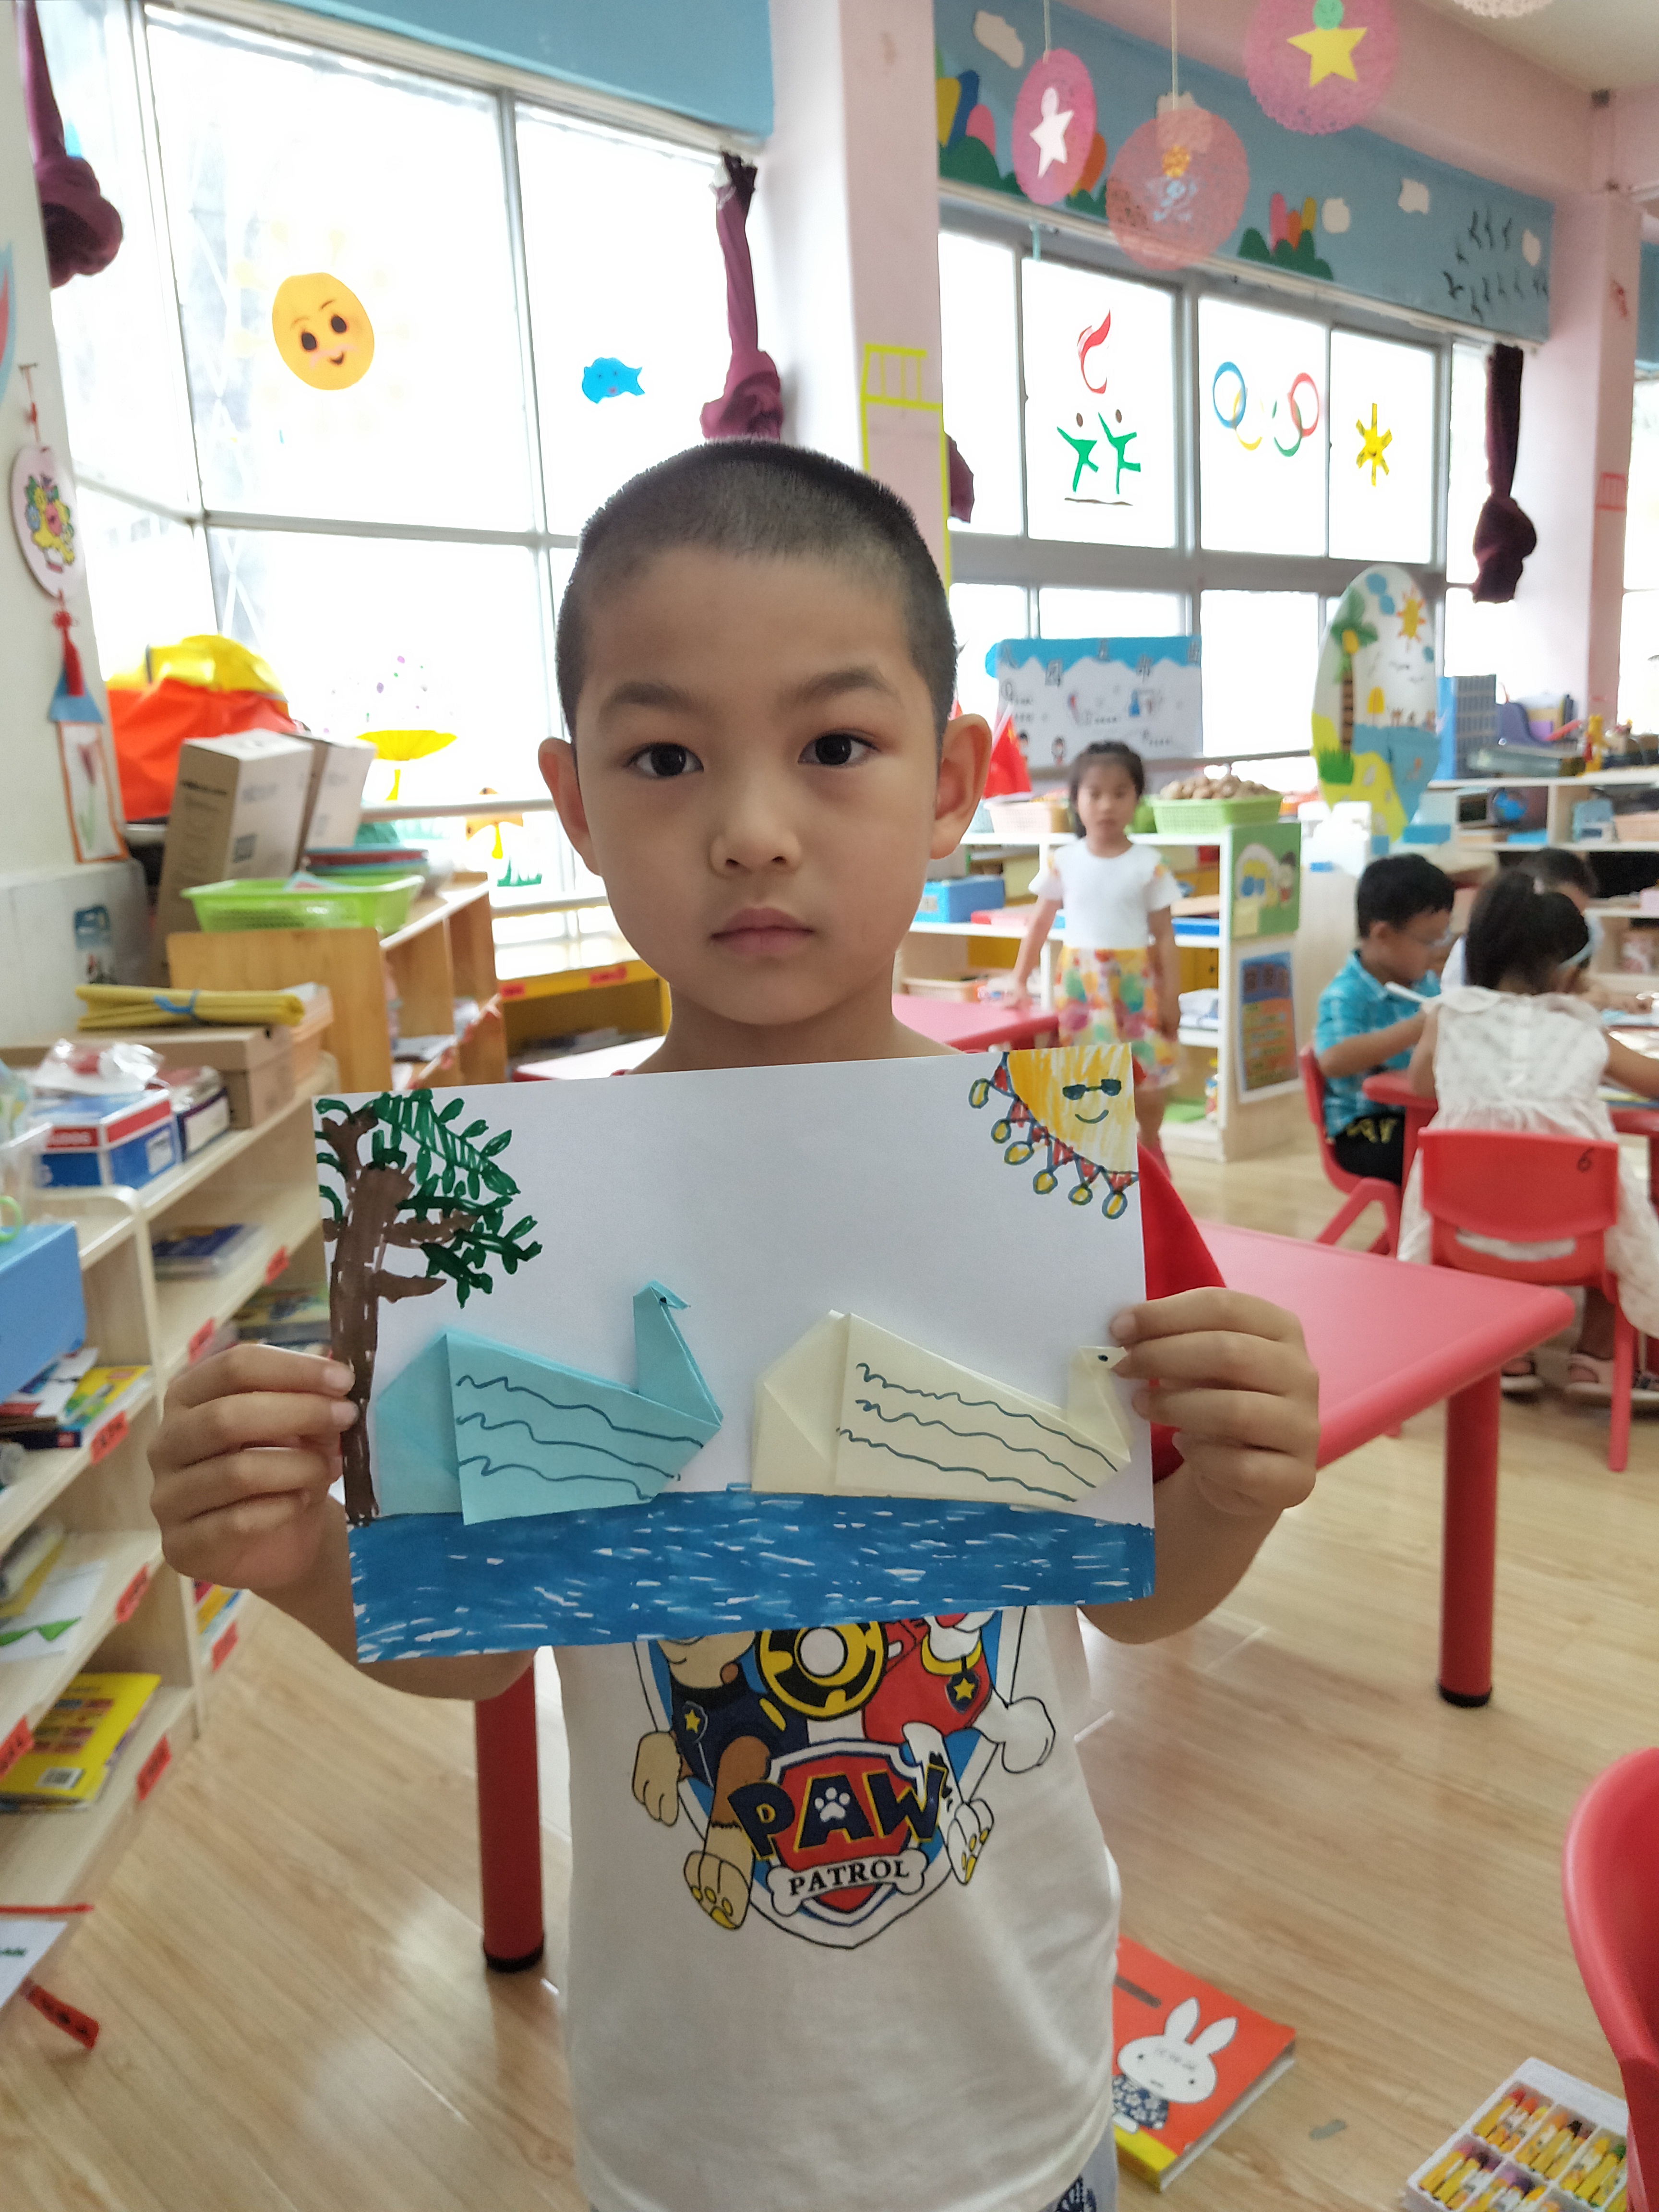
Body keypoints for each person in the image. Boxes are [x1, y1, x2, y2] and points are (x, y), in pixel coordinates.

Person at [147, 443, 1319, 2212]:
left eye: (835, 745)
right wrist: (303, 1555)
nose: (753, 826)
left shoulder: (1051, 1169)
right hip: (687, 2131)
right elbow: (477, 1659)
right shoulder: (509, 1215)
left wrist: (1233, 1485)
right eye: (665, 756)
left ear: (954, 782)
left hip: (1021, 2097)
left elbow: (1135, 1600)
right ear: (571, 798)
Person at [1401, 867, 1659, 1407]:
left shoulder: (1449, 1017)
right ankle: (1596, 1361)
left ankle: (1508, 1354)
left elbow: (1422, 1084)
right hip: (1576, 1242)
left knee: (1500, 1195)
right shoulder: (1580, 1026)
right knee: (1618, 1218)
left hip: (1462, 1231)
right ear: (1570, 972)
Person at [1004, 740, 1183, 1161]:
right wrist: (1018, 980)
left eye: (1120, 793)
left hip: (1135, 987)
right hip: (1082, 987)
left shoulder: (1149, 863)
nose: (1107, 806)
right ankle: (1095, 1157)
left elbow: (1165, 936)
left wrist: (1172, 997)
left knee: (1147, 1076)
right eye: (1095, 794)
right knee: (1085, 1076)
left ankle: (1151, 1144)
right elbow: (1039, 925)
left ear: (1137, 799)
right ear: (1075, 801)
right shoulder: (1064, 860)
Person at [1313, 852, 1455, 1185]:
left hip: (1417, 1111)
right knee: (1437, 1157)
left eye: (1443, 938)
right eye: (1428, 941)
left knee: (1470, 1142)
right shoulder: (1346, 994)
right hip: (1364, 1127)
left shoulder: (1426, 984)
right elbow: (1332, 1060)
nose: (1437, 951)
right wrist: (1417, 1027)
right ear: (1383, 935)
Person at [1441, 849, 1650, 1010]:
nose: (1571, 922)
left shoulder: (1577, 933)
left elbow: (1574, 981)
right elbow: (1509, 1010)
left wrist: (1609, 998)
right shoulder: (1486, 947)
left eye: (1578, 914)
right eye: (1563, 909)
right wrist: (1579, 1004)